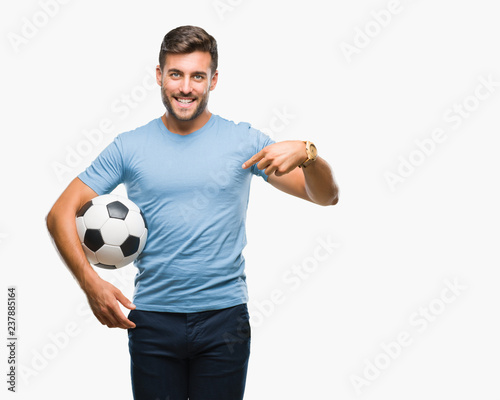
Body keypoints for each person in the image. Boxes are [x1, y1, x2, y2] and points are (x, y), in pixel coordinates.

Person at [46, 25, 339, 400]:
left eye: (197, 76)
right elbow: (60, 213)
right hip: (151, 321)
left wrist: (309, 155)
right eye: (176, 74)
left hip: (225, 321)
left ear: (213, 80)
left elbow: (325, 197)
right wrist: (90, 283)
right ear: (159, 76)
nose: (186, 87)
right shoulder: (129, 146)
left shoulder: (244, 142)